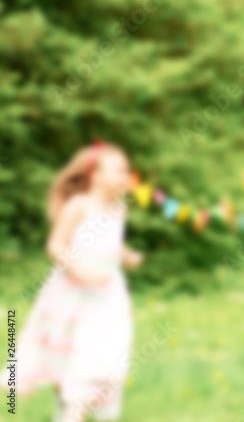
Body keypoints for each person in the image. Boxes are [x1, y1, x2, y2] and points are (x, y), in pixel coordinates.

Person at [18, 141, 143, 422]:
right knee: (76, 356)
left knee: (108, 353)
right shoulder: (79, 206)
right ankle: (71, 410)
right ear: (95, 175)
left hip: (107, 296)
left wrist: (127, 256)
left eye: (127, 170)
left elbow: (111, 243)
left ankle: (83, 409)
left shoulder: (119, 209)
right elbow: (56, 245)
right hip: (73, 294)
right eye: (118, 170)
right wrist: (79, 271)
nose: (126, 176)